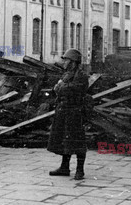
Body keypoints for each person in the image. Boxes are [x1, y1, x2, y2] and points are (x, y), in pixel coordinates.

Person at [48, 49, 89, 180]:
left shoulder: (81, 75)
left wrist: (60, 87)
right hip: (63, 110)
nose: (64, 62)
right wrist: (60, 87)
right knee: (65, 140)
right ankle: (64, 167)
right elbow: (58, 88)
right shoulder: (66, 74)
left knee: (78, 141)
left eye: (66, 59)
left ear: (73, 61)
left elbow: (73, 89)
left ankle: (80, 170)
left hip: (75, 112)